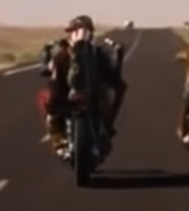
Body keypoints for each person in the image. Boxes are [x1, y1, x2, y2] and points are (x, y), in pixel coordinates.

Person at [37, 15, 127, 151]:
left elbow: (112, 75)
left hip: (94, 95)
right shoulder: (60, 52)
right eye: (75, 31)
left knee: (118, 90)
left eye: (83, 30)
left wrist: (118, 58)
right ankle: (57, 137)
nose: (79, 34)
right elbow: (46, 69)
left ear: (90, 33)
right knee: (45, 98)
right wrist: (48, 64)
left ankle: (107, 128)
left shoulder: (98, 52)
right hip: (64, 95)